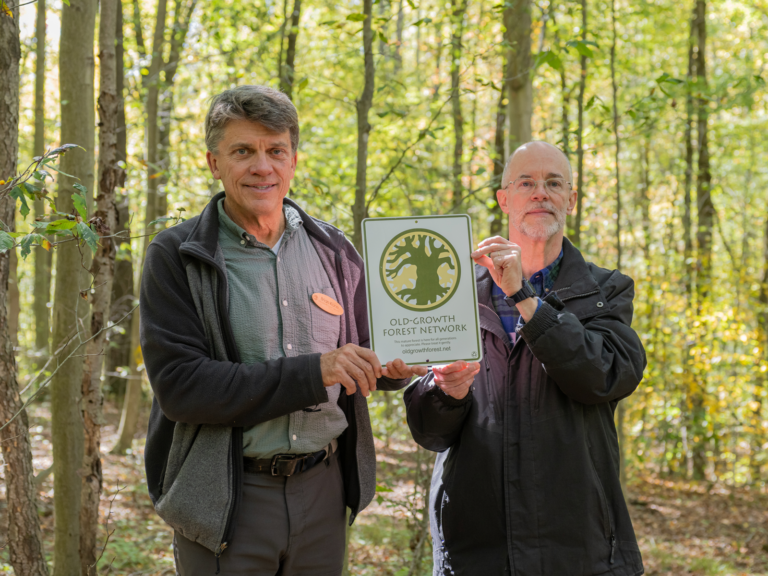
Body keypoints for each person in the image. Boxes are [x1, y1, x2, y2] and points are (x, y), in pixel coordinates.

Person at [140, 85, 433, 575]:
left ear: (293, 160)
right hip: (228, 500)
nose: (263, 166)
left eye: (276, 151)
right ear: (214, 162)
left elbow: (362, 355)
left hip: (324, 490)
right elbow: (182, 388)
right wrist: (317, 371)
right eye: (243, 151)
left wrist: (396, 364)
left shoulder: (334, 250)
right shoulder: (177, 256)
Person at [404, 141, 647, 576]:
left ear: (570, 200)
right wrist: (445, 391)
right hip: (476, 546)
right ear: (504, 199)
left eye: (553, 183)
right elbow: (429, 431)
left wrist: (524, 296)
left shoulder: (605, 290)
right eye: (526, 183)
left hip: (578, 546)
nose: (540, 193)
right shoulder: (453, 291)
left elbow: (604, 376)